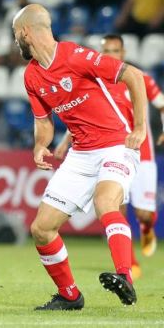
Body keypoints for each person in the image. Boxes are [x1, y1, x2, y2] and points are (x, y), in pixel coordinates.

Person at [15, 4, 147, 310]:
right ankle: (70, 295)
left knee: (105, 202)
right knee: (41, 229)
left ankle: (125, 276)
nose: (15, 41)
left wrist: (140, 127)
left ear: (25, 32)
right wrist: (40, 145)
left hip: (116, 144)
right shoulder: (32, 76)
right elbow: (43, 121)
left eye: (15, 34)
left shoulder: (74, 55)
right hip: (80, 154)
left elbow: (134, 76)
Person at [54, 34, 164, 277]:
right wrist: (64, 142)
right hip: (115, 151)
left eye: (116, 51)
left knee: (144, 213)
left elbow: (162, 104)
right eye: (107, 51)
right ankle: (130, 263)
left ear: (123, 54)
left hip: (143, 154)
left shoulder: (139, 78)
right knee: (116, 207)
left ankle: (147, 226)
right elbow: (85, 116)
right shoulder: (96, 81)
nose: (111, 55)